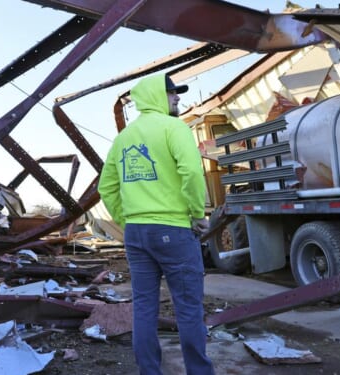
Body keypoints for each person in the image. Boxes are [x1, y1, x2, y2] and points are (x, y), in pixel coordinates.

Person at [98, 74, 214, 375]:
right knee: (188, 309)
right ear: (155, 96)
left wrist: (128, 219)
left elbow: (106, 188)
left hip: (137, 234)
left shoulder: (124, 138)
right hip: (173, 229)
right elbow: (190, 171)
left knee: (144, 308)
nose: (177, 98)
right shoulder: (174, 127)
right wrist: (197, 213)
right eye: (172, 93)